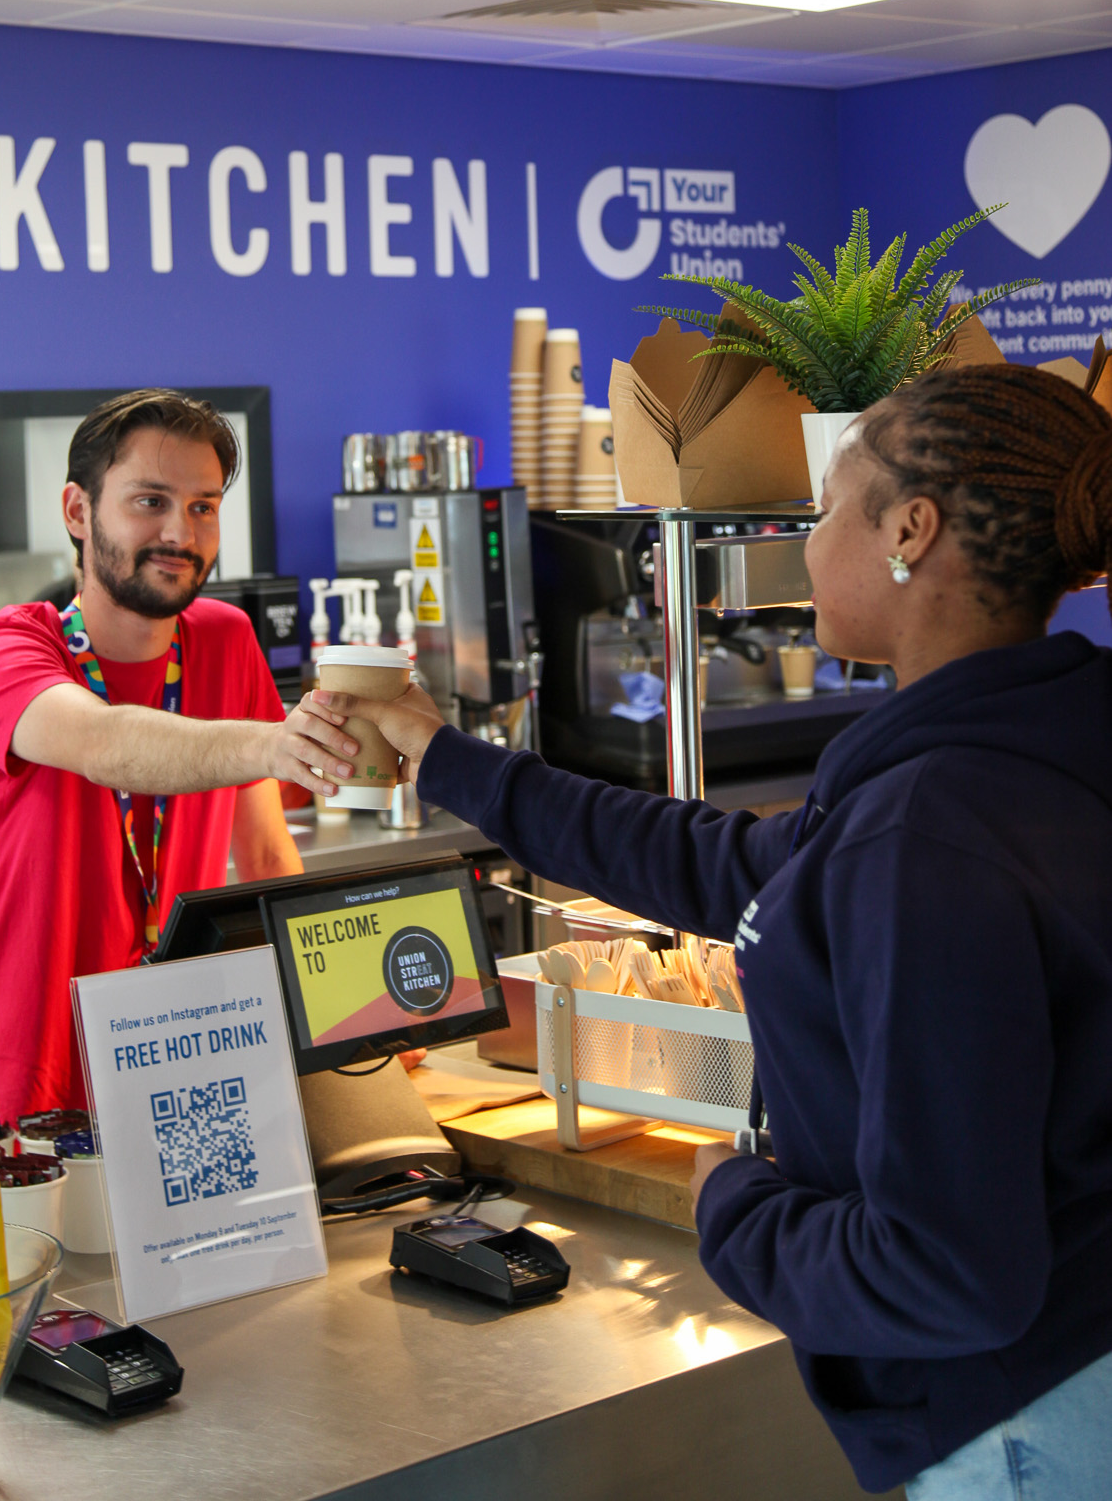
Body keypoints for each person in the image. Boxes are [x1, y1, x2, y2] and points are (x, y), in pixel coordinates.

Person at [308, 366, 1112, 1501]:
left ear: (910, 530)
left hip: (1020, 1424)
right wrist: (448, 757)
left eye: (829, 506)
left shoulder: (930, 834)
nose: (806, 539)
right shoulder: (1029, 743)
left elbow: (948, 1275)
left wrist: (734, 1201)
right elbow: (722, 864)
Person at [0, 389, 359, 1122]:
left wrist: (340, 1022)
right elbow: (104, 743)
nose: (180, 531)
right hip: (23, 1088)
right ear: (78, 512)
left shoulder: (225, 639)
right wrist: (274, 742)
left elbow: (265, 858)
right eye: (149, 501)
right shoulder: (4, 652)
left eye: (202, 506)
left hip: (173, 1066)